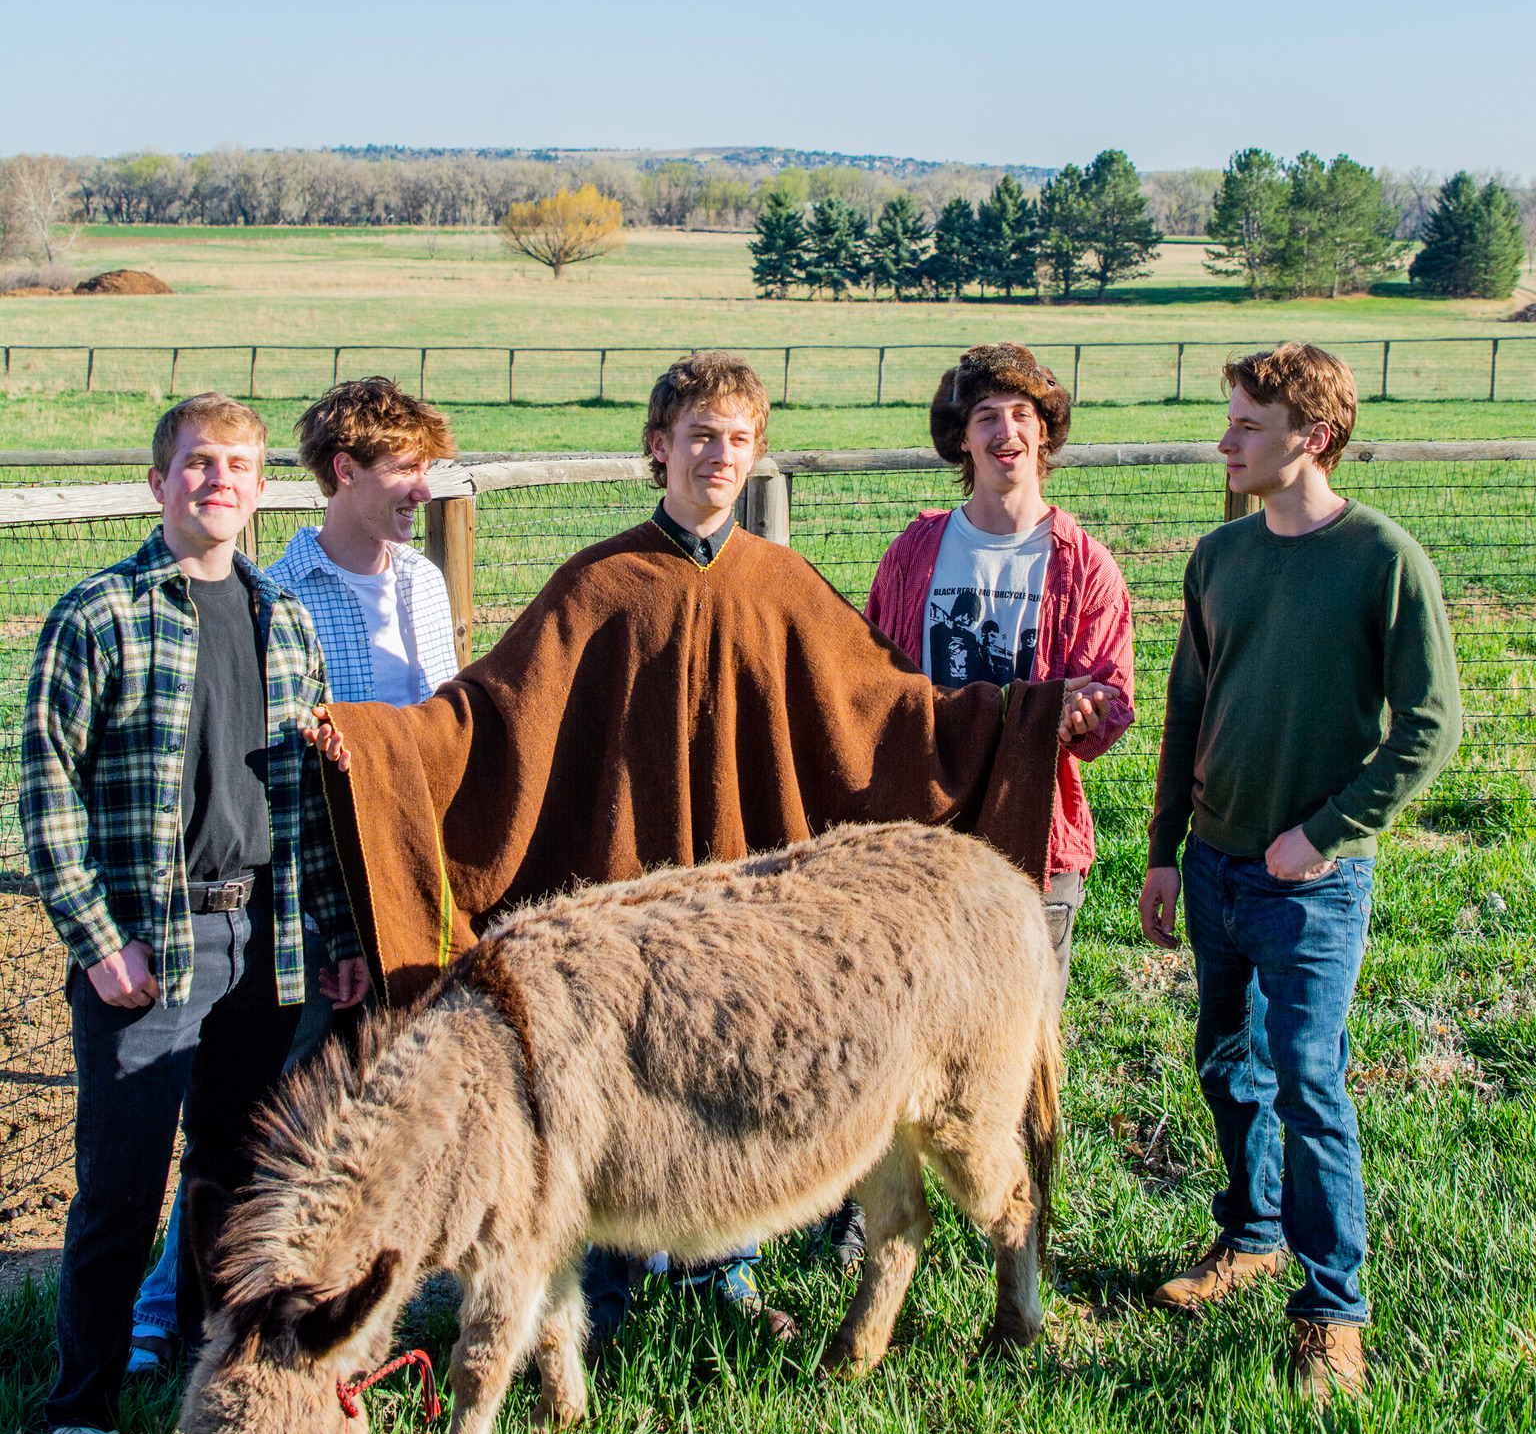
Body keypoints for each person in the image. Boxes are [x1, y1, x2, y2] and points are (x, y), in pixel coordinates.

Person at [307, 352, 1085, 1343]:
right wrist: (376, 743)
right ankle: (611, 1278)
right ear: (659, 447)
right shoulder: (599, 583)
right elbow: (490, 715)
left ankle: (723, 1270)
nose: (720, 455)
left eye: (739, 440)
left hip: (745, 910)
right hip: (628, 906)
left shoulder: (782, 584)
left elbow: (888, 712)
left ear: (756, 456)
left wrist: (1025, 716)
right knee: (626, 1080)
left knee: (734, 1067)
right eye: (702, 436)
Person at [21, 393, 368, 1434]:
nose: (218, 480)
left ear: (262, 488)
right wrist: (97, 941)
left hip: (262, 938)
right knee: (119, 1190)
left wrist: (334, 934)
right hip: (148, 944)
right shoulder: (99, 616)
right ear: (160, 480)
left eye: (238, 465)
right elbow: (47, 794)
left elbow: (309, 800)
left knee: (232, 1180)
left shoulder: (286, 621)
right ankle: (77, 1413)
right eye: (198, 462)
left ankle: (208, 1386)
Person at [1140, 343, 1462, 1403]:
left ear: (1314, 438)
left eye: (1248, 426)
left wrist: (1324, 834)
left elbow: (1430, 727)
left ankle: (1334, 1311)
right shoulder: (1219, 556)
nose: (1225, 443)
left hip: (1310, 884)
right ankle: (1252, 1235)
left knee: (1309, 1082)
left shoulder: (1382, 559)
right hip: (1216, 866)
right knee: (1226, 1066)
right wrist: (1164, 852)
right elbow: (1189, 710)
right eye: (1228, 422)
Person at [126, 379, 460, 1377]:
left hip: (406, 887)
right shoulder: (282, 596)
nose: (422, 488)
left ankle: (346, 1291)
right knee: (266, 1106)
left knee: (381, 1099)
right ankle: (167, 1308)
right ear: (344, 471)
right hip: (314, 887)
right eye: (403, 468)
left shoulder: (426, 585)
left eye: (428, 468)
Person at [866, 343, 1135, 1000]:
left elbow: (1109, 699)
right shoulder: (913, 554)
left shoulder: (1086, 567)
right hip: (925, 838)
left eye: (1021, 414)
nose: (1005, 431)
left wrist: (1083, 715)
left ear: (1044, 432)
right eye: (986, 416)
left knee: (1025, 1042)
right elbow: (874, 684)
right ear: (962, 438)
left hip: (1035, 840)